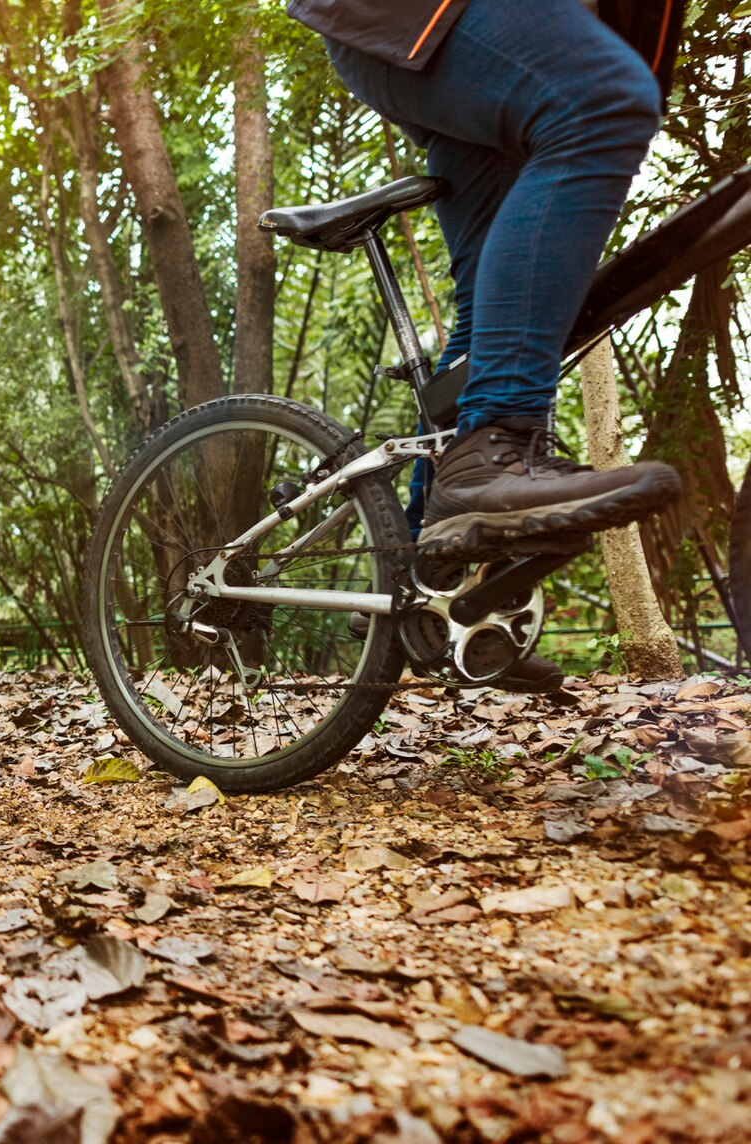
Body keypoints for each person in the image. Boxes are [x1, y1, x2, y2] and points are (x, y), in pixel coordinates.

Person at [288, 0, 687, 690]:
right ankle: (489, 450)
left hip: (458, 26)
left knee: (492, 321)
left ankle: (422, 577)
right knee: (603, 103)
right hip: (421, 16)